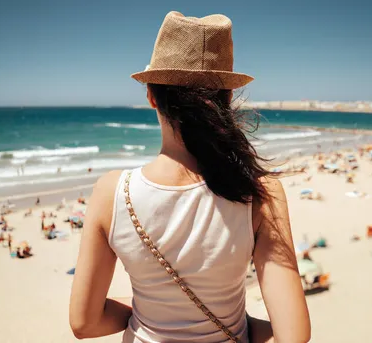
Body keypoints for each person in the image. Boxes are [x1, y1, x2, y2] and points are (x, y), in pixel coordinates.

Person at [69, 11, 310, 343]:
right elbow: (293, 336)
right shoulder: (260, 193)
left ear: (153, 97)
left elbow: (84, 324)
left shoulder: (112, 192)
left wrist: (148, 316)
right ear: (226, 99)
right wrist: (238, 325)